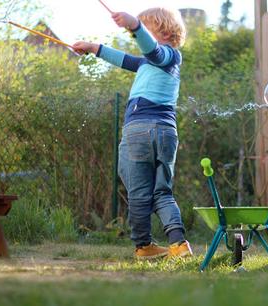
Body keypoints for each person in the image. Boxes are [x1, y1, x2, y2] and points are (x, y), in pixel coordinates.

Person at [73, 7, 192, 260]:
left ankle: (143, 245)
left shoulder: (168, 56)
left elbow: (152, 50)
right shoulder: (149, 63)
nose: (136, 37)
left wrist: (135, 25)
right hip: (165, 133)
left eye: (146, 30)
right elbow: (125, 59)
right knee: (162, 191)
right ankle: (178, 244)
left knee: (139, 192)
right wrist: (93, 47)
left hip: (140, 130)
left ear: (165, 31)